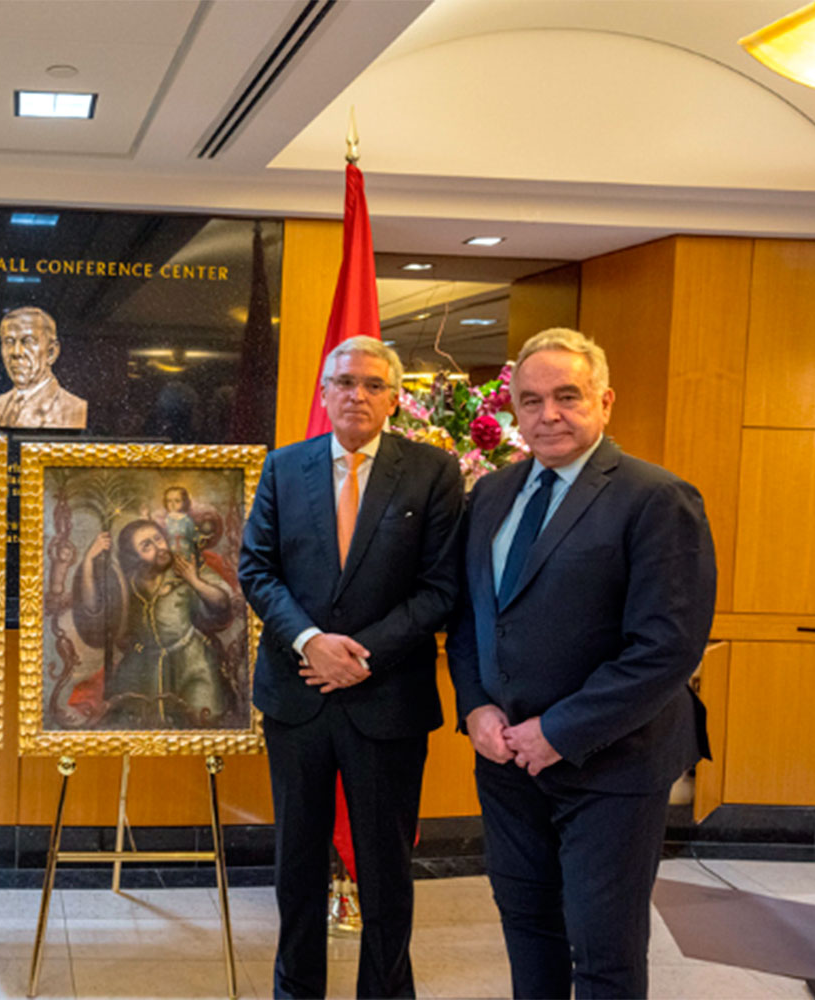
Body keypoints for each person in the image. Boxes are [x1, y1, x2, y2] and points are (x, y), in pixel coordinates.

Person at [446, 328, 715, 999]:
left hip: (611, 765)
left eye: (568, 396)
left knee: (603, 949)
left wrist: (557, 732)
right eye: (531, 400)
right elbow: (470, 618)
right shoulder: (492, 496)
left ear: (605, 401)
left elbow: (667, 646)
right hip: (507, 762)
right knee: (528, 928)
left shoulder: (657, 497)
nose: (549, 414)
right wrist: (475, 705)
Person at [239, 335, 463, 999]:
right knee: (297, 866)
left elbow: (442, 587)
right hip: (297, 695)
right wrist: (311, 641)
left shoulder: (431, 472)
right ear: (324, 391)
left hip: (386, 698)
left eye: (372, 384)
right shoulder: (285, 468)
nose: (356, 395)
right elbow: (257, 568)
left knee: (386, 868)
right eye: (344, 382)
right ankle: (296, 991)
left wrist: (359, 655)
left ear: (394, 398)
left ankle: (387, 993)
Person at [71, 517, 235, 727]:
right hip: (140, 666)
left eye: (158, 539)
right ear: (133, 555)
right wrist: (88, 562)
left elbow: (222, 604)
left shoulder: (186, 566)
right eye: (146, 546)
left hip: (193, 664)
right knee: (128, 723)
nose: (159, 548)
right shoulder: (125, 582)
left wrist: (194, 581)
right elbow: (94, 607)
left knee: (205, 719)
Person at [0, 306, 88, 429]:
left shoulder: (75, 409)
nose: (16, 352)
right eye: (9, 341)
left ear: (51, 352)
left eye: (28, 341)